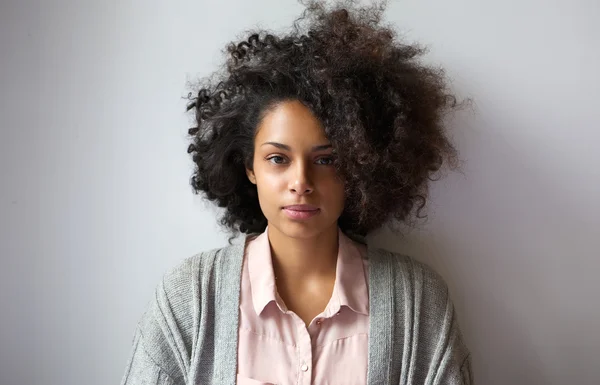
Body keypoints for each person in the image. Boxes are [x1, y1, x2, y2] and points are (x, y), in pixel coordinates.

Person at [120, 1, 473, 384]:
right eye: (277, 159)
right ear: (248, 167)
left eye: (326, 160)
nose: (300, 181)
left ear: (361, 167)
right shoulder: (187, 300)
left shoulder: (418, 303)